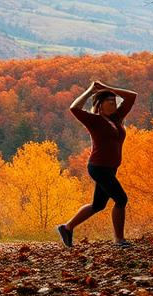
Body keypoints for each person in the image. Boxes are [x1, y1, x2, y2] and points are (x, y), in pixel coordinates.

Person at [57, 80, 137, 248]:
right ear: (100, 105)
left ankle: (67, 227)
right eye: (109, 101)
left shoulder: (116, 119)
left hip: (111, 168)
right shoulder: (94, 120)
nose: (114, 103)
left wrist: (108, 88)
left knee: (98, 205)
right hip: (98, 167)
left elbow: (132, 96)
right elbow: (74, 108)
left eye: (114, 101)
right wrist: (90, 90)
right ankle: (119, 240)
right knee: (121, 199)